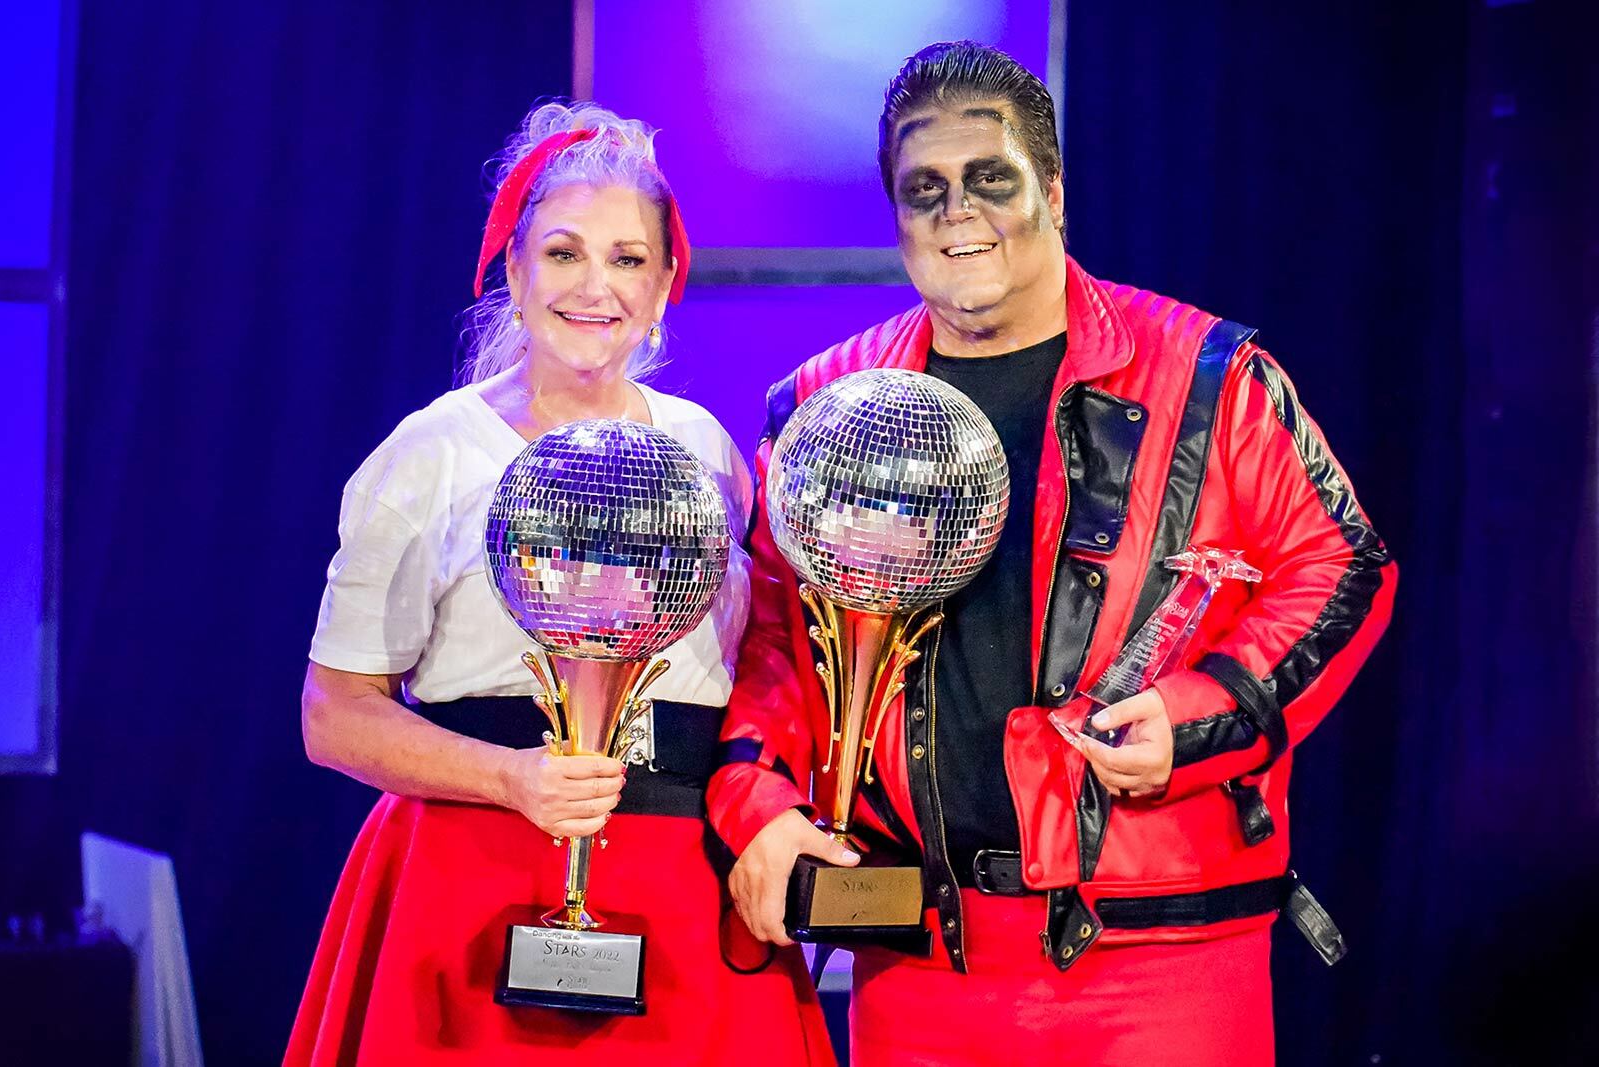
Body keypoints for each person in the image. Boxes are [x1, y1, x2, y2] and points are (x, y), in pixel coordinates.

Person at [709, 42, 1398, 1066]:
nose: (957, 214)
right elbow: (773, 635)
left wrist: (1198, 715)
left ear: (1055, 193)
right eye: (923, 190)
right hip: (918, 956)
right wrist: (756, 804)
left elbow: (1342, 567)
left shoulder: (1209, 375)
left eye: (991, 179)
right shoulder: (821, 407)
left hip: (1160, 962)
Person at [286, 101, 835, 1066]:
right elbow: (333, 715)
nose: (596, 286)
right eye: (564, 253)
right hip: (477, 884)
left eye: (628, 259)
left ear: (667, 282)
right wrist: (515, 778)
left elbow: (762, 668)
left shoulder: (708, 452)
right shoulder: (433, 455)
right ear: (514, 272)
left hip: (685, 903)